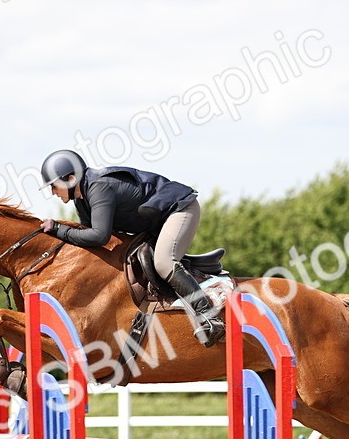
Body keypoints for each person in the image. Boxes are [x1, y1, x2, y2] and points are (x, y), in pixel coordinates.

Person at [37, 149, 225, 347]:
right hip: (154, 225)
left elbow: (99, 236)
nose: (53, 192)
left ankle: (209, 316)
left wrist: (58, 229)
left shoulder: (98, 187)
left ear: (71, 179)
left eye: (54, 186)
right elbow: (89, 239)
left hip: (180, 210)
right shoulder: (82, 201)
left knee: (163, 262)